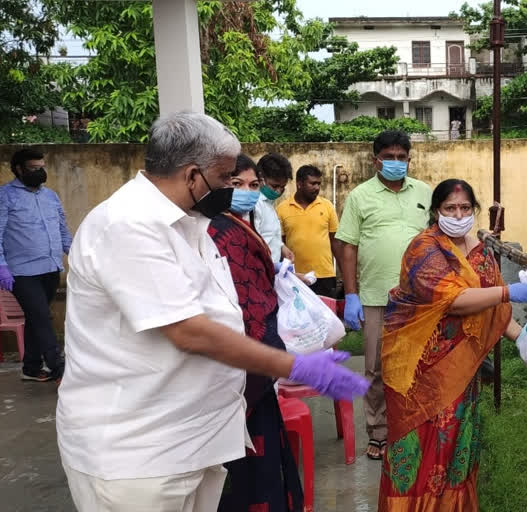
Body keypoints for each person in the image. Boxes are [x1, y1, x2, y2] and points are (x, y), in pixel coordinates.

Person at [56, 111, 369, 512]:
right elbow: (192, 332)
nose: (232, 189)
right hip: (138, 452)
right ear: (191, 176)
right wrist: (294, 366)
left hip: (194, 440)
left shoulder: (192, 223)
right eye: (225, 179)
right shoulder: (127, 224)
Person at [378, 179, 527, 511]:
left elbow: (495, 311)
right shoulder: (423, 249)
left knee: (454, 443)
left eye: (465, 208)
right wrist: (508, 292)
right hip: (419, 371)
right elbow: (455, 301)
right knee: (418, 447)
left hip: (462, 373)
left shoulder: (479, 253)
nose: (458, 214)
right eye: (450, 208)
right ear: (436, 211)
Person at [208, 153, 303, 511]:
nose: (246, 193)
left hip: (255, 361)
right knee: (236, 468)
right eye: (236, 185)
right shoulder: (217, 230)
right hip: (231, 364)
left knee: (260, 455)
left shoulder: (239, 224)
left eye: (252, 185)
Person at [336, 130, 432, 460]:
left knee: (417, 364)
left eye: (401, 157)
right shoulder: (360, 196)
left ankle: (413, 427)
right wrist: (351, 294)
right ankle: (378, 432)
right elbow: (348, 246)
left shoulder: (424, 192)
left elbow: (438, 239)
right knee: (376, 367)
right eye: (387, 157)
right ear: (375, 159)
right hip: (376, 296)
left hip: (417, 296)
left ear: (409, 159)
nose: (395, 162)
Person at [0, 148, 70, 382]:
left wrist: (74, 253)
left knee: (35, 318)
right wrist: (2, 266)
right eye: (33, 168)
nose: (40, 172)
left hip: (50, 268)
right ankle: (58, 367)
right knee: (42, 317)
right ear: (18, 169)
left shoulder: (50, 196)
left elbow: (62, 228)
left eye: (42, 168)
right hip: (21, 272)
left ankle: (30, 368)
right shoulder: (5, 196)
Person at [277, 164, 343, 298]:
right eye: (312, 183)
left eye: (319, 184)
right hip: (295, 277)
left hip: (324, 276)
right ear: (299, 183)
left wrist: (345, 276)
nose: (317, 188)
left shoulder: (327, 206)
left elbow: (335, 242)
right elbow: (280, 245)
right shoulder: (282, 209)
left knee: (326, 318)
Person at [249, 153, 294, 266]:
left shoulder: (269, 203)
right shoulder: (254, 204)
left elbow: (269, 234)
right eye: (274, 186)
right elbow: (253, 243)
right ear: (260, 178)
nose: (278, 191)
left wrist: (281, 247)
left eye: (282, 187)